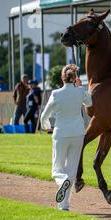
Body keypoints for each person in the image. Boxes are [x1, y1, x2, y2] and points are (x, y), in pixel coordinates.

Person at [40, 64, 92, 211]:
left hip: (61, 133)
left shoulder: (56, 94)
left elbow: (44, 116)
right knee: (71, 171)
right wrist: (81, 87)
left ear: (62, 78)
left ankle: (62, 183)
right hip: (78, 133)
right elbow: (90, 102)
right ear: (75, 78)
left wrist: (46, 127)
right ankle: (64, 205)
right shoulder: (80, 91)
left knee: (57, 170)